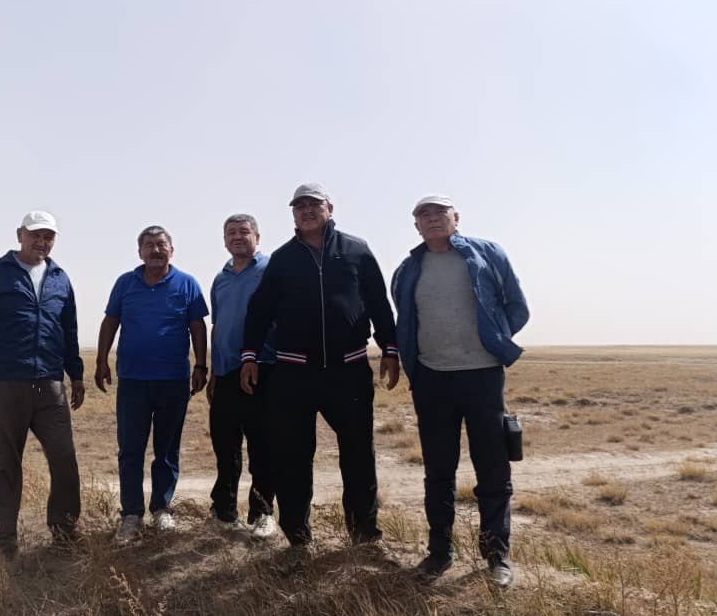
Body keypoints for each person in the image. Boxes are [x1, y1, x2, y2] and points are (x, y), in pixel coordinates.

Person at [241, 183, 400, 554]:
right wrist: (249, 355)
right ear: (293, 215)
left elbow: (378, 302)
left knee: (359, 455)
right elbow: (259, 311)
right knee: (293, 458)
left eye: (314, 204)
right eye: (300, 206)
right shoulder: (283, 259)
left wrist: (390, 349)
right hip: (293, 373)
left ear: (330, 208)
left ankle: (364, 536)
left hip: (349, 370)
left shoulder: (357, 250)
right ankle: (298, 540)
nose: (307, 210)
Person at [390, 195, 529, 588]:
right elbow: (406, 320)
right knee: (438, 471)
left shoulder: (487, 254)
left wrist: (493, 340)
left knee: (493, 468)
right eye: (424, 214)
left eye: (440, 212)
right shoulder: (407, 269)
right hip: (432, 379)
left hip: (482, 376)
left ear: (456, 218)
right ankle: (439, 553)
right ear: (416, 225)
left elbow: (517, 307)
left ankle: (497, 556)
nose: (432, 218)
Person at [0, 210, 85, 575]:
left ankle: (65, 534)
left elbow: (68, 331)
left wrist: (76, 374)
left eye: (49, 236)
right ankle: (6, 544)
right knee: (4, 465)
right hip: (3, 384)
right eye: (35, 235)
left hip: (50, 385)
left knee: (65, 459)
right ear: (20, 234)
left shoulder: (60, 278)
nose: (42, 242)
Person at [95, 225, 209, 544]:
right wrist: (101, 360)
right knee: (130, 449)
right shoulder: (125, 283)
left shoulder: (187, 283)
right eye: (149, 245)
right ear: (140, 252)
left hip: (173, 380)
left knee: (167, 450)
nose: (155, 250)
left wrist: (200, 365)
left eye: (161, 244)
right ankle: (131, 514)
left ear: (171, 250)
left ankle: (162, 509)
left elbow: (197, 326)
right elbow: (111, 321)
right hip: (133, 380)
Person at [206, 214, 277, 539]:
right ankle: (223, 512)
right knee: (225, 448)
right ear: (224, 241)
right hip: (225, 374)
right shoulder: (220, 279)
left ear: (257, 237)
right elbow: (217, 326)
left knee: (262, 447)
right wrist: (213, 371)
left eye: (244, 231)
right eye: (231, 233)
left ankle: (262, 514)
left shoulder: (271, 271)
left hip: (262, 370)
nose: (237, 237)